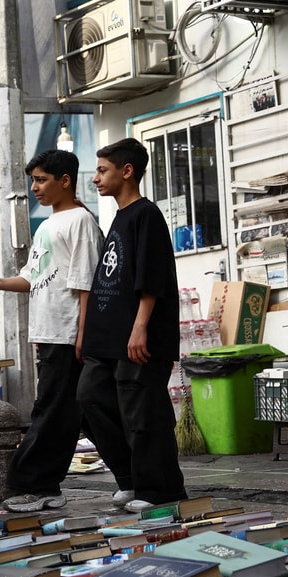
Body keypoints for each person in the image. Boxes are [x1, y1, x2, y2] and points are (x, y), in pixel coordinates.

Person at [0, 149, 103, 513]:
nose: (35, 188)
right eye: (33, 180)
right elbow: (33, 277)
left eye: (42, 179)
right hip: (47, 332)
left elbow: (86, 283)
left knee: (52, 409)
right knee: (76, 411)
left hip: (67, 333)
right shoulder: (48, 225)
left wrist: (82, 334)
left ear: (65, 181)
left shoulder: (81, 221)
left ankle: (33, 483)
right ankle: (131, 476)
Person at [76, 138, 185, 512]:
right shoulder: (117, 217)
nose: (95, 179)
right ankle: (130, 479)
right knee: (89, 397)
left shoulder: (146, 215)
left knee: (143, 415)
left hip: (139, 336)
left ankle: (159, 491)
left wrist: (140, 327)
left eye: (102, 170)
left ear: (127, 171)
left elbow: (150, 278)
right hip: (108, 338)